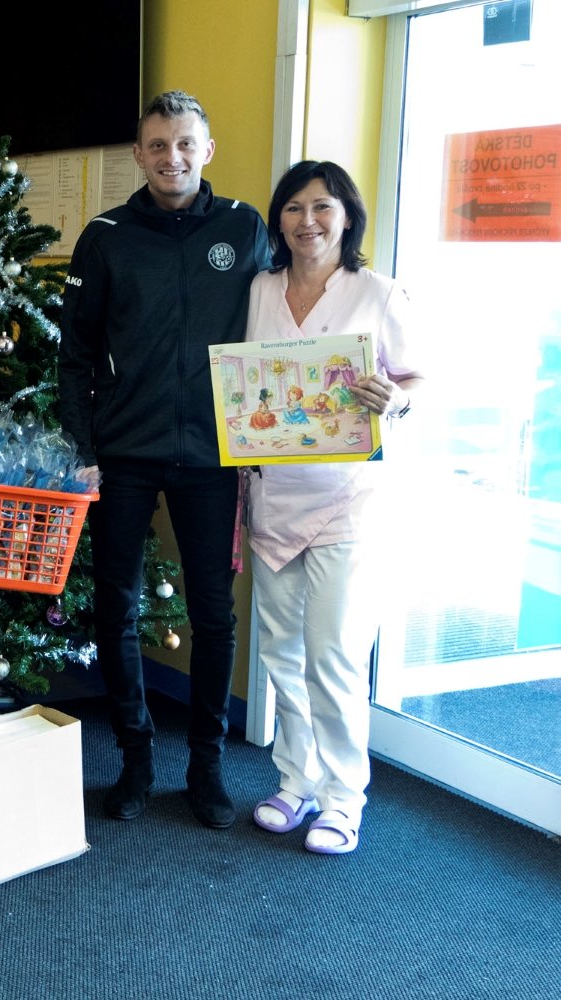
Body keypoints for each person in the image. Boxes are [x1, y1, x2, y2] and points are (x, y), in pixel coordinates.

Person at [56, 91, 272, 829]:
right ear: (139, 154)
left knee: (213, 614)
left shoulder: (243, 227)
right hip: (124, 454)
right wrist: (83, 449)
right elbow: (75, 355)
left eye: (184, 144)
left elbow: (278, 324)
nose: (171, 157)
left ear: (206, 150)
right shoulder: (106, 238)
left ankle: (206, 767)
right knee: (115, 608)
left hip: (214, 457)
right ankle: (136, 759)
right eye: (157, 145)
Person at [245, 161, 425, 855]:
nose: (308, 221)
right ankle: (297, 783)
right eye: (293, 208)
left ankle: (344, 801)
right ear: (279, 220)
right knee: (281, 654)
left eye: (322, 207)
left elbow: (417, 376)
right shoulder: (261, 289)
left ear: (347, 216)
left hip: (348, 499)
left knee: (336, 656)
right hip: (273, 496)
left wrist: (398, 399)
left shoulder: (378, 293)